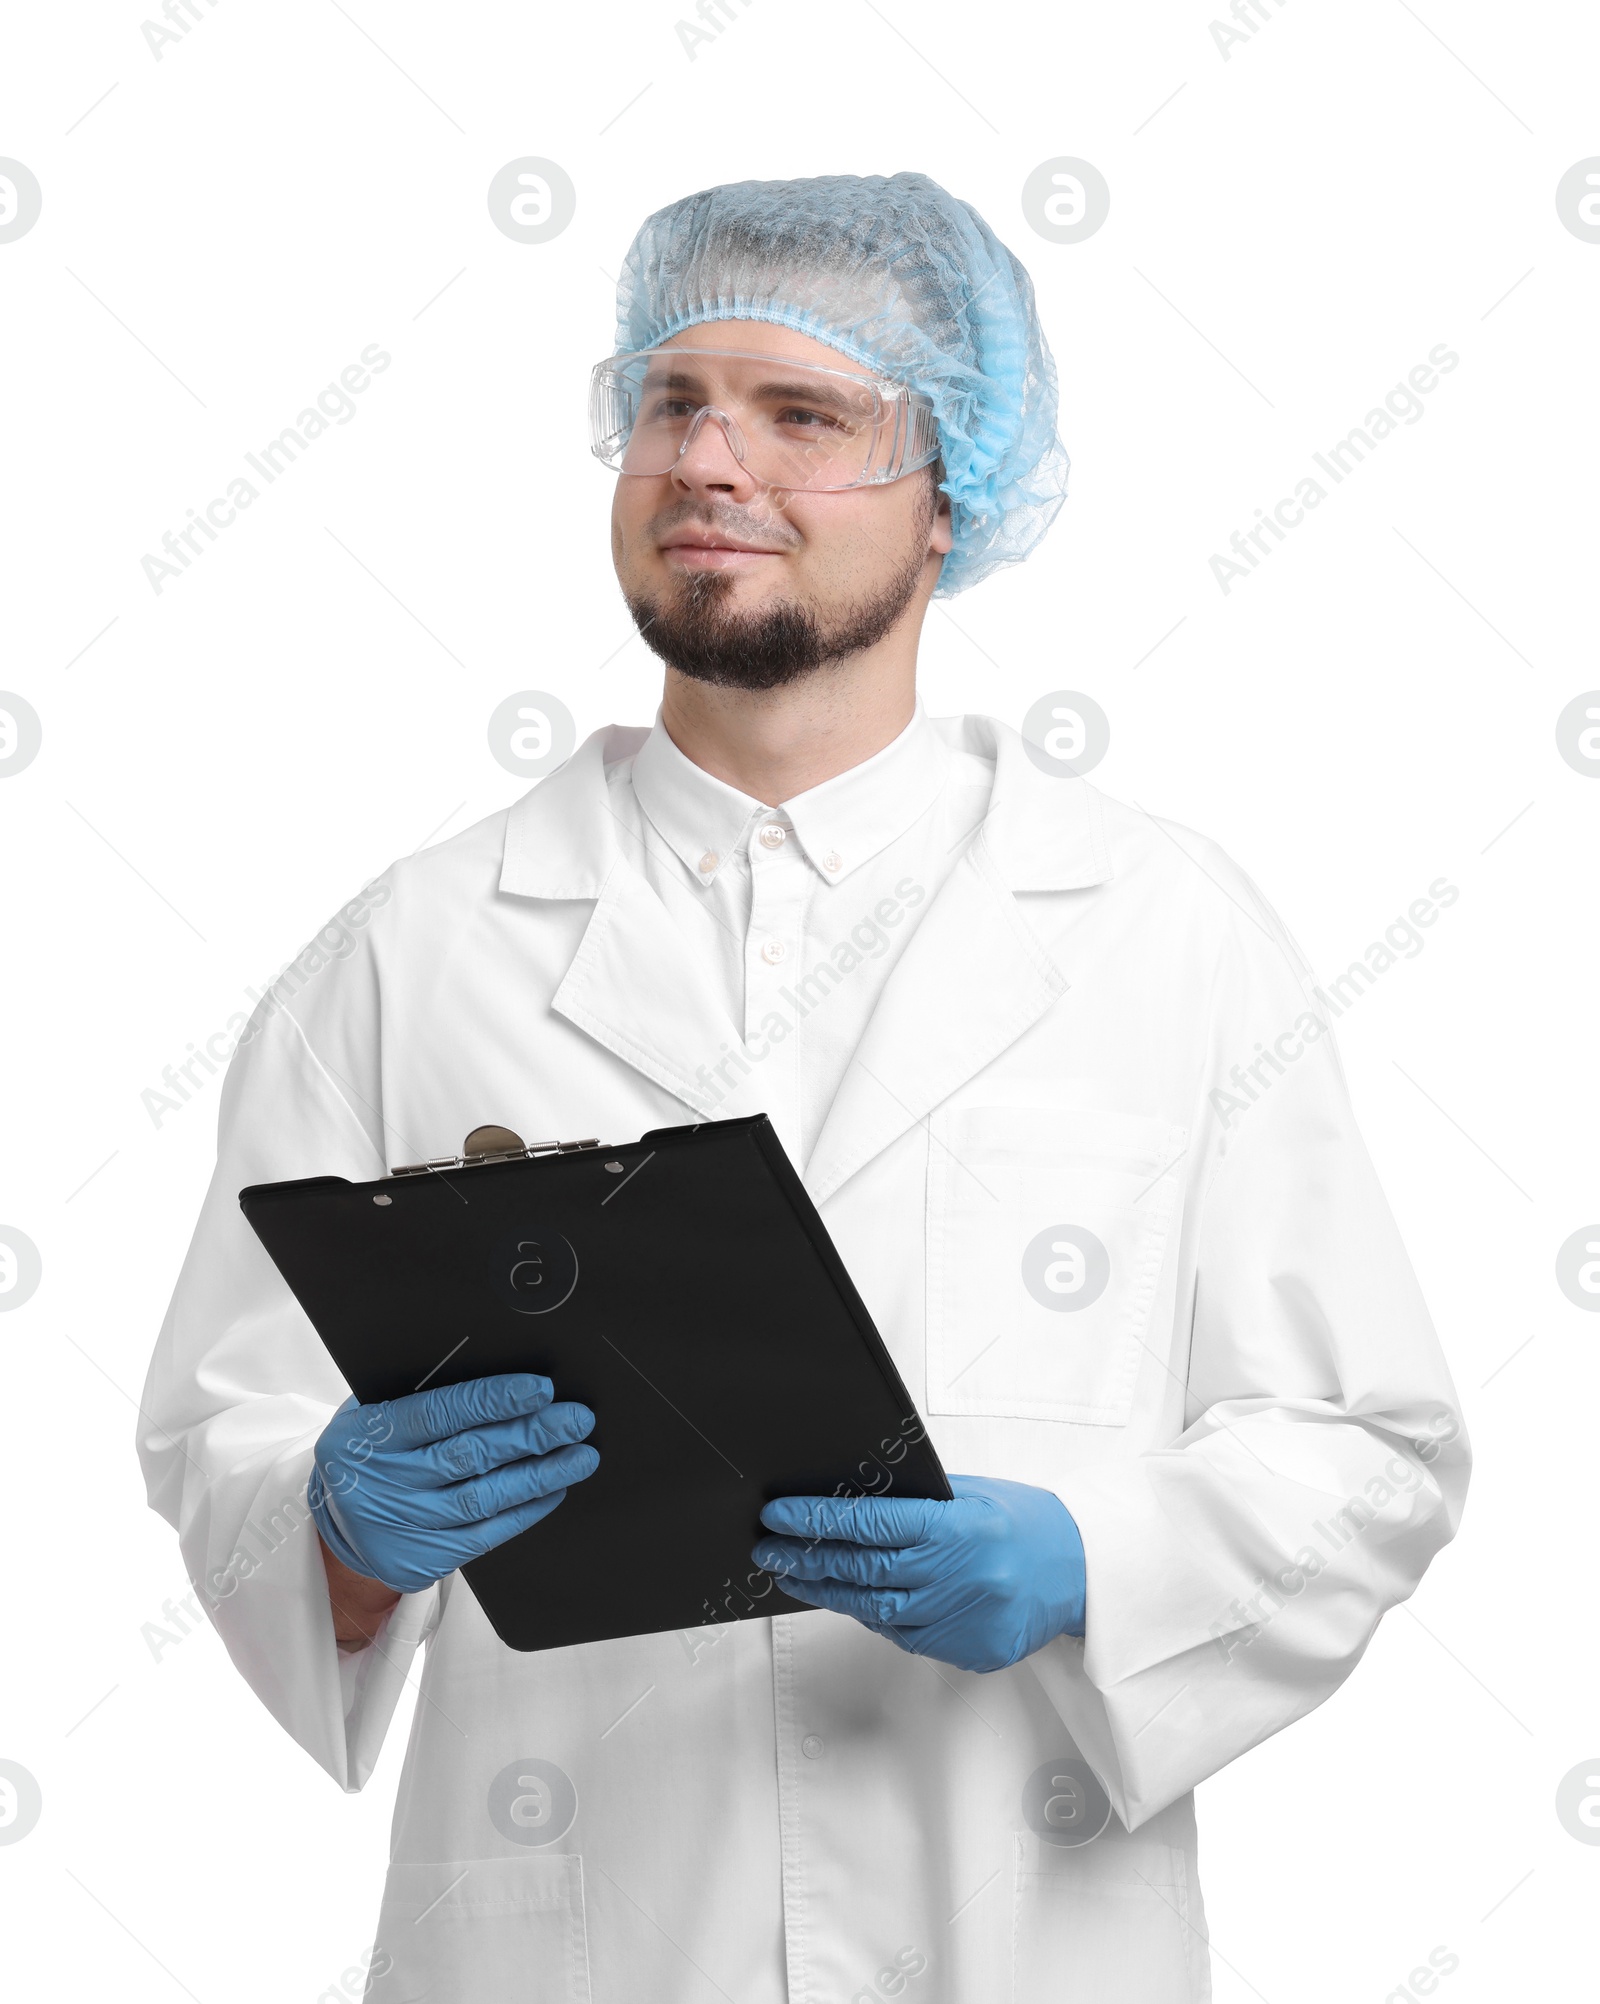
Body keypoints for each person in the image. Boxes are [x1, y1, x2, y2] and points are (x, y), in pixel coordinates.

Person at [140, 172, 1469, 2001]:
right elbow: (222, 1434)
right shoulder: (415, 950)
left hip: (1018, 1936)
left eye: (805, 414)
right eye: (673, 401)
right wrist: (335, 1529)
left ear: (954, 499)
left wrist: (1094, 1561)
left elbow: (1371, 1451)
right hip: (577, 1944)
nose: (708, 459)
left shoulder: (1164, 936)